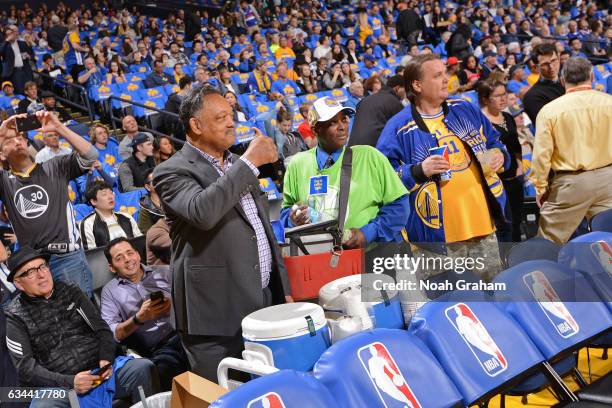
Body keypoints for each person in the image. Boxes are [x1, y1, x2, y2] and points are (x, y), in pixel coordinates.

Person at [153, 86, 292, 381]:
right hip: (215, 319)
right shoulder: (170, 170)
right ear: (196, 125)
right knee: (228, 397)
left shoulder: (235, 164)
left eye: (231, 115)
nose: (232, 123)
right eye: (221, 117)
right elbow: (202, 212)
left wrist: (284, 288)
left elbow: (260, 228)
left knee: (268, 393)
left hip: (263, 301)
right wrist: (250, 162)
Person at [377, 54, 509, 284]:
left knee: (493, 298)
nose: (446, 79)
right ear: (417, 85)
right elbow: (381, 179)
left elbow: (495, 142)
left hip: (484, 229)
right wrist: (418, 170)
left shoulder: (465, 109)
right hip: (435, 243)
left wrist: (499, 155)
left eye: (445, 73)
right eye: (437, 75)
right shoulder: (397, 127)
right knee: (449, 304)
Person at [4, 246, 158, 407]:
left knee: (143, 368)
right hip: (61, 386)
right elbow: (26, 368)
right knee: (44, 406)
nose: (41, 275)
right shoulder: (15, 315)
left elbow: (103, 330)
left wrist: (106, 358)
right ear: (18, 283)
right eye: (30, 272)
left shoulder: (71, 290)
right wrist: (70, 382)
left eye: (42, 266)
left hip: (100, 372)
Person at [281, 96, 409, 248]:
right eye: (333, 122)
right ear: (316, 129)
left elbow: (399, 206)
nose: (342, 127)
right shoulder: (297, 164)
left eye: (344, 119)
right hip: (319, 258)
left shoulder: (370, 156)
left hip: (368, 257)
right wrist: (293, 218)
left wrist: (368, 233)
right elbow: (286, 212)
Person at [0, 111, 97, 295]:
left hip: (67, 258)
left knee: (81, 318)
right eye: (9, 141)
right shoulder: (4, 181)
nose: (17, 142)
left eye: (20, 138)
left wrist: (59, 128)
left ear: (28, 144)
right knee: (50, 322)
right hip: (32, 265)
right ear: (2, 154)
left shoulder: (54, 166)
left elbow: (91, 155)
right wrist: (0, 135)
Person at [530, 57, 612, 244]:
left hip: (572, 182)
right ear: (592, 76)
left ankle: (548, 273)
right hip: (609, 178)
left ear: (562, 80)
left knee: (549, 242)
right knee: (609, 237)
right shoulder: (609, 102)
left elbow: (542, 155)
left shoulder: (550, 111)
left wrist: (540, 187)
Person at [101, 237, 189, 390]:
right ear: (112, 267)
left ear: (138, 255)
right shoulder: (110, 291)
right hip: (158, 348)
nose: (128, 260)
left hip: (185, 334)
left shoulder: (164, 272)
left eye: (130, 253)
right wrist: (138, 319)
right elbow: (112, 333)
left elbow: (190, 301)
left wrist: (174, 306)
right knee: (165, 372)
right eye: (119, 258)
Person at [479, 80, 524, 243]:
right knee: (504, 224)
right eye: (497, 95)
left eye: (504, 94)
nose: (503, 99)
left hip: (515, 178)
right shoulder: (481, 122)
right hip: (497, 182)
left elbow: (515, 145)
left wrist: (519, 166)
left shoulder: (508, 117)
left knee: (518, 220)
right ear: (485, 99)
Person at [80, 181, 142, 250]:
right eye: (104, 194)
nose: (110, 197)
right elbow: (92, 255)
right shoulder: (88, 223)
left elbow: (139, 242)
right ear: (93, 201)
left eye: (111, 193)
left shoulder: (126, 217)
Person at [349, 75, 405, 147]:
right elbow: (404, 132)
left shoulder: (364, 100)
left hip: (352, 149)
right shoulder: (394, 102)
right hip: (374, 151)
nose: (405, 94)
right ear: (397, 88)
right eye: (405, 90)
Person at [523, 43, 565, 125]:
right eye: (545, 64)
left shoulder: (571, 82)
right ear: (536, 67)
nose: (551, 67)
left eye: (553, 61)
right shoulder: (532, 96)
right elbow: (548, 125)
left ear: (559, 58)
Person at [0, 25, 34, 94]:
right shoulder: (4, 44)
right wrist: (7, 40)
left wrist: (29, 56)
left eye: (15, 32)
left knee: (30, 92)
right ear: (6, 35)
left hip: (25, 70)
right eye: (10, 33)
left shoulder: (22, 43)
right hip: (14, 72)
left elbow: (32, 55)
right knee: (20, 92)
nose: (14, 34)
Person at [138, 169, 164, 235]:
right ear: (148, 187)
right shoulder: (145, 209)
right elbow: (147, 234)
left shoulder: (172, 199)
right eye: (155, 180)